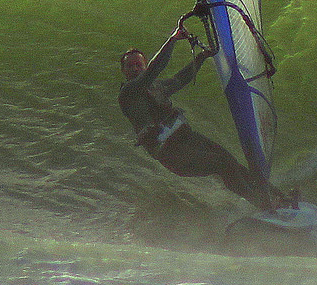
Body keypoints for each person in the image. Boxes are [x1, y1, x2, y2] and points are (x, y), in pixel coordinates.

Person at [119, 16, 290, 212]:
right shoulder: (128, 94)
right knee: (222, 163)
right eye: (130, 66)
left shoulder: (156, 87)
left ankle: (276, 196)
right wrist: (173, 39)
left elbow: (180, 79)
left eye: (138, 65)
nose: (134, 69)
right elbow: (154, 70)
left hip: (188, 139)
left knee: (230, 160)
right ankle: (264, 205)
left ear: (144, 65)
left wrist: (202, 57)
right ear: (123, 72)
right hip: (171, 153)